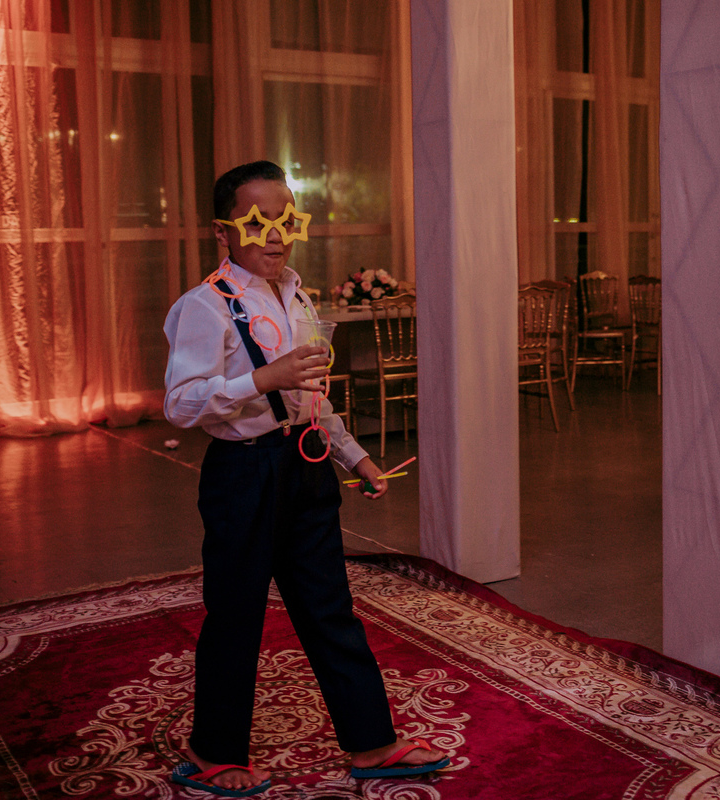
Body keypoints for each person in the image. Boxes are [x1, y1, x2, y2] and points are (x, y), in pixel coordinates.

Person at [163, 160, 448, 796]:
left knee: (329, 606)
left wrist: (356, 457)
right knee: (236, 613)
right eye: (256, 221)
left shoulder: (298, 296)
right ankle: (212, 752)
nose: (274, 235)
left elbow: (312, 396)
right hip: (243, 472)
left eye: (284, 219)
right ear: (223, 231)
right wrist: (263, 378)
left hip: (308, 463)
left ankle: (372, 742)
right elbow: (180, 405)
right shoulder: (204, 306)